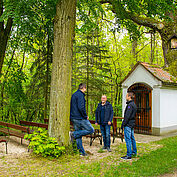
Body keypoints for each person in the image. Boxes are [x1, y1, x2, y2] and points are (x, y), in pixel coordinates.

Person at [70, 83, 94, 156]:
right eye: (85, 88)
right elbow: (81, 107)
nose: (85, 90)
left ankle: (81, 152)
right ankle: (72, 134)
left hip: (73, 117)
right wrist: (85, 116)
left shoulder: (74, 95)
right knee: (91, 130)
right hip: (79, 118)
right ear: (83, 88)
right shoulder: (80, 95)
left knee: (78, 135)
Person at [121, 91, 137, 160]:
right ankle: (134, 152)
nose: (125, 97)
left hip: (128, 124)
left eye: (126, 96)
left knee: (128, 139)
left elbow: (127, 116)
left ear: (129, 97)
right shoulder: (133, 104)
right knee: (132, 138)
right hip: (132, 124)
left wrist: (123, 124)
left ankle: (129, 155)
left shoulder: (130, 105)